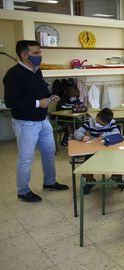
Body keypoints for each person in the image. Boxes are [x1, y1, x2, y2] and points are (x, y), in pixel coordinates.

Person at [3, 40, 69, 202]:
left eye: (40, 52)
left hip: (42, 119)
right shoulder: (13, 74)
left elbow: (42, 91)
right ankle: (23, 191)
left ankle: (50, 182)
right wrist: (39, 103)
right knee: (26, 158)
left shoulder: (36, 71)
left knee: (49, 152)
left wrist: (50, 97)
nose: (40, 56)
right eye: (36, 53)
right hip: (26, 122)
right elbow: (11, 102)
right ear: (24, 55)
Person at [73, 108, 120, 194]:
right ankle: (90, 181)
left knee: (117, 161)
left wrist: (103, 136)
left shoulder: (111, 123)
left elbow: (117, 133)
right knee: (87, 163)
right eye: (98, 122)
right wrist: (82, 137)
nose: (98, 125)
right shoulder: (89, 122)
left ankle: (117, 177)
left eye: (102, 125)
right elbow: (77, 132)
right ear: (97, 116)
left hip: (108, 149)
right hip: (93, 149)